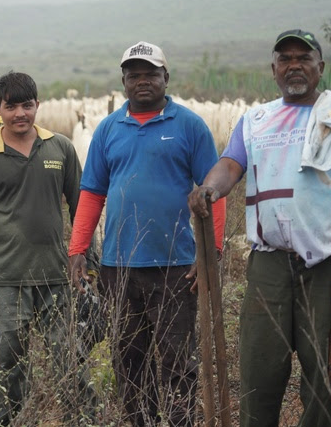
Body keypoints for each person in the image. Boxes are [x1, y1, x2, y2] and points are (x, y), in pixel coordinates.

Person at [188, 29, 331, 426]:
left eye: (303, 58)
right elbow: (230, 165)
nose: (294, 65)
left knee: (325, 373)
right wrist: (209, 188)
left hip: (328, 266)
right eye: (285, 59)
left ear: (320, 67)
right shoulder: (256, 121)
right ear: (273, 69)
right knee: (258, 371)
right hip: (269, 265)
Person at [68, 41, 225, 426]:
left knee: (177, 360)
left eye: (150, 74)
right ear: (123, 81)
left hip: (176, 267)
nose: (142, 81)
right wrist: (78, 249)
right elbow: (92, 193)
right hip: (118, 267)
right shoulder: (108, 129)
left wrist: (212, 253)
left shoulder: (189, 125)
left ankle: (180, 422)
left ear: (165, 77)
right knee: (128, 359)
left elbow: (213, 191)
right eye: (133, 75)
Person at [0, 71, 96, 425]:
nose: (20, 114)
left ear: (37, 105)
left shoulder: (60, 148)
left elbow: (81, 207)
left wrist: (86, 257)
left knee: (69, 357)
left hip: (55, 276)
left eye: (26, 105)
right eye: (11, 107)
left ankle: (83, 419)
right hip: (6, 278)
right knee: (7, 362)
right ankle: (8, 420)